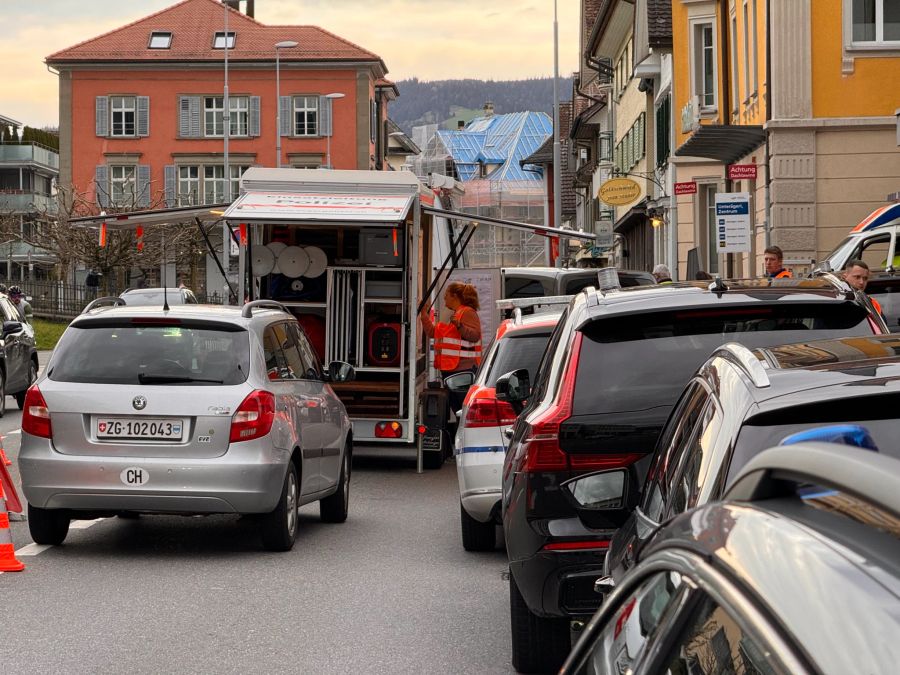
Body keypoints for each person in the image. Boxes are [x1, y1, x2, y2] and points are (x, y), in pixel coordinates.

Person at [420, 282, 483, 410]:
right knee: (457, 408)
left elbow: (475, 335)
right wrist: (424, 316)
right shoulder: (454, 313)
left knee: (462, 409)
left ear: (455, 296)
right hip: (452, 370)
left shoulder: (467, 312)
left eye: (446, 295)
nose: (444, 298)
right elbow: (433, 332)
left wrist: (460, 326)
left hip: (463, 371)